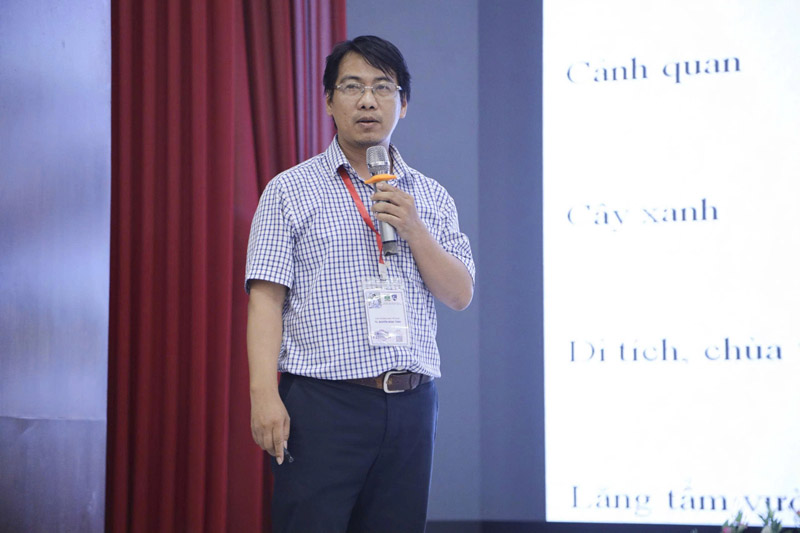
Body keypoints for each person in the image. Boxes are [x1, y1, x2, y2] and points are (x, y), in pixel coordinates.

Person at [245, 35, 475, 532]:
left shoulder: (431, 197)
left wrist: (415, 230)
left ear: (403, 104)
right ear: (329, 101)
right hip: (323, 405)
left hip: (412, 404)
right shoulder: (289, 190)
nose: (368, 100)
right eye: (352, 87)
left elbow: (459, 294)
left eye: (382, 87)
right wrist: (263, 394)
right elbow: (265, 299)